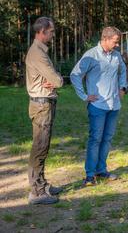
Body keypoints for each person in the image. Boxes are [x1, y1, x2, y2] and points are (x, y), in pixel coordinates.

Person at [70, 26, 127, 186]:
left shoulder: (116, 56)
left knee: (107, 139)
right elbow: (75, 75)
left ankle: (101, 170)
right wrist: (84, 96)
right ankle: (89, 175)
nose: (117, 45)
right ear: (105, 39)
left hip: (114, 105)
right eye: (115, 42)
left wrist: (122, 87)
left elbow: (123, 70)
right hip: (97, 106)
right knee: (95, 139)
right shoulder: (91, 55)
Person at [26, 17, 64, 204]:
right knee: (40, 147)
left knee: (43, 146)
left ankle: (42, 184)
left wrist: (54, 80)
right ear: (41, 32)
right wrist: (58, 81)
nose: (53, 34)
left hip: (43, 103)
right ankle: (36, 192)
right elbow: (56, 80)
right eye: (51, 31)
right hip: (41, 105)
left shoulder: (40, 51)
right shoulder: (37, 53)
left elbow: (52, 79)